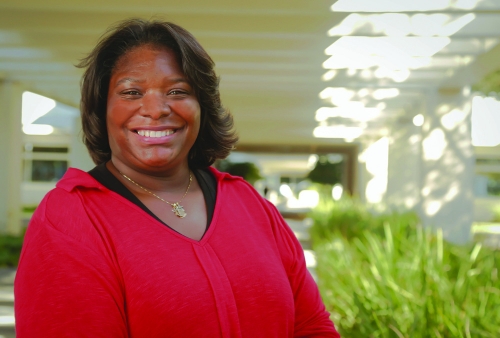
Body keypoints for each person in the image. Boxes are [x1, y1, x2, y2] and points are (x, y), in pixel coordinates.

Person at [14, 18, 340, 337]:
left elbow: (312, 325)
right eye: (131, 92)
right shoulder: (70, 219)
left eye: (177, 90)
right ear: (101, 107)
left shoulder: (251, 205)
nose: (156, 109)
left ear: (202, 106)